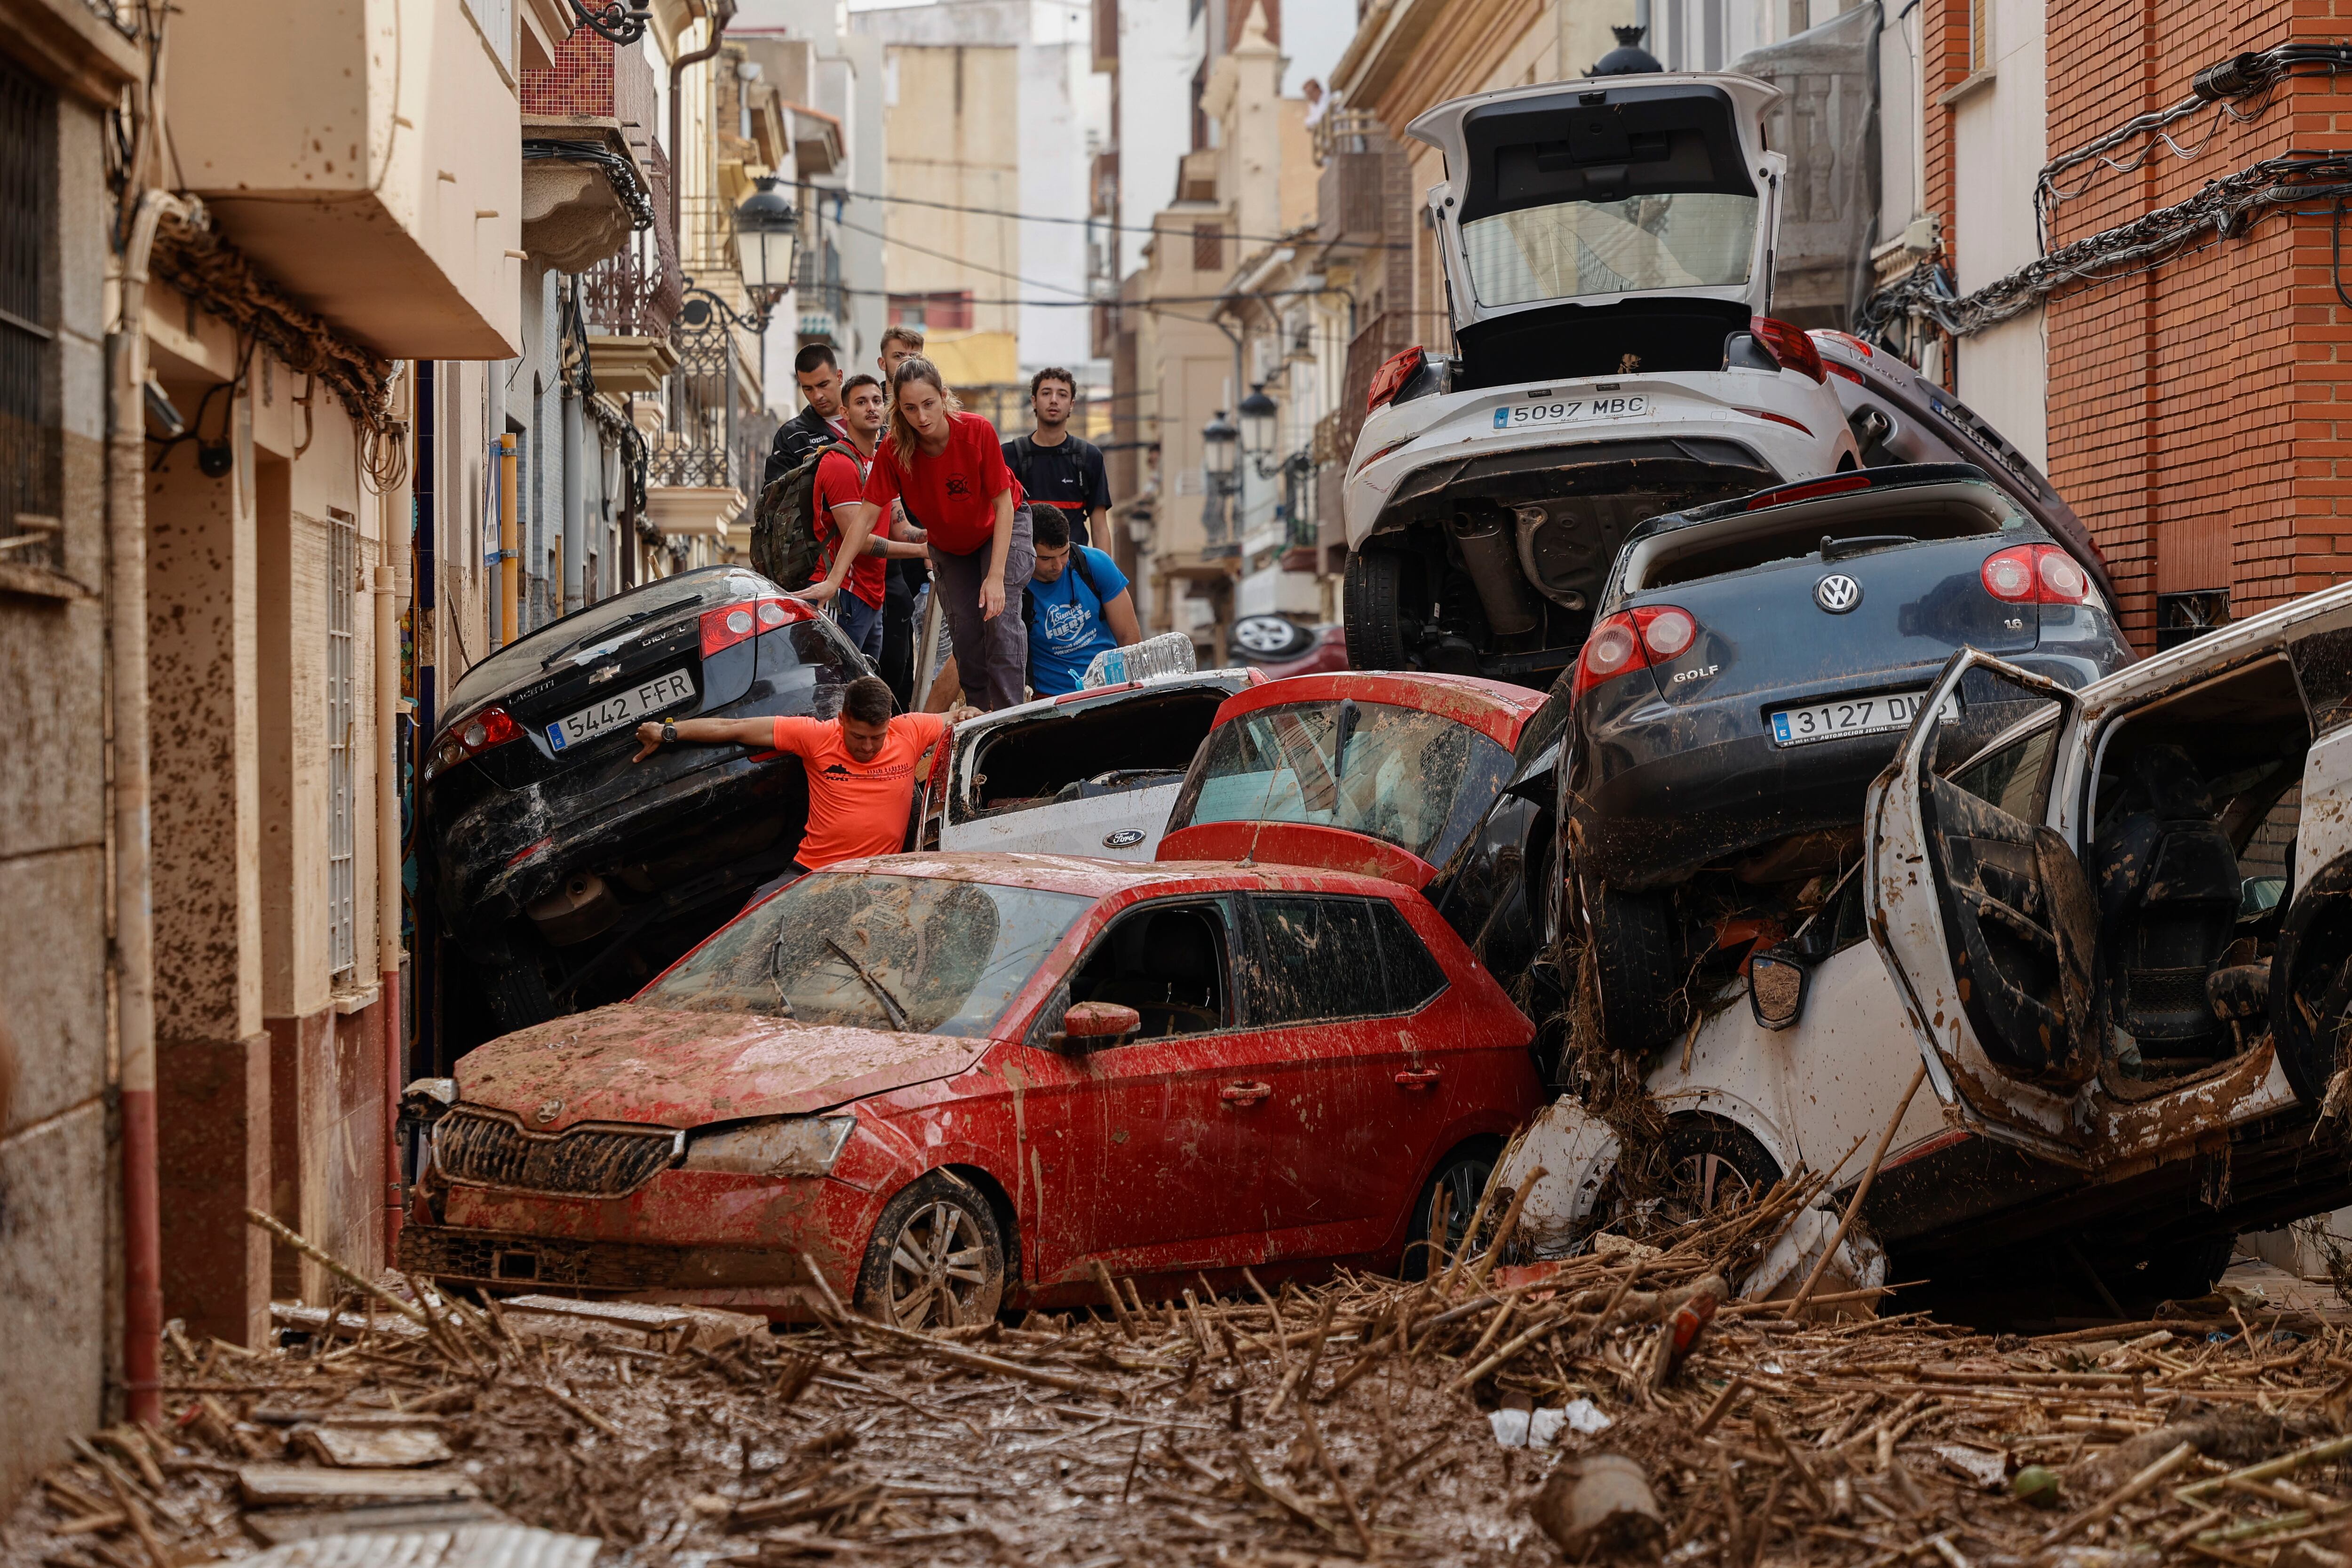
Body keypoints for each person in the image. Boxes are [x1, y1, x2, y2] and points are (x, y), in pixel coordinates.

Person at [631, 674, 978, 902]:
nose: (869, 747)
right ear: (842, 719)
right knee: (752, 919)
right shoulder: (817, 735)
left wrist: (968, 714)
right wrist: (668, 732)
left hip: (875, 882)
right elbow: (733, 728)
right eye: (859, 737)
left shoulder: (909, 730)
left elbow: (961, 719)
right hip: (812, 874)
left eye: (877, 737)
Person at [852, 357, 1035, 711]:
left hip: (1001, 527)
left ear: (944, 396)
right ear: (899, 409)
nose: (921, 416)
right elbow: (865, 517)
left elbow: (1004, 505)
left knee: (998, 617)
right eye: (910, 408)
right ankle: (980, 716)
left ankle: (1011, 714)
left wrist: (995, 576)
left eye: (928, 404)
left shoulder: (976, 430)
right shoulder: (894, 450)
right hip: (951, 545)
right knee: (966, 634)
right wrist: (831, 581)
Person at [791, 374, 923, 662]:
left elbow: (901, 529)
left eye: (877, 401)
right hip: (841, 594)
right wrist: (922, 551)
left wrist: (938, 538)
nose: (872, 408)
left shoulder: (882, 461)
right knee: (836, 690)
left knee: (863, 692)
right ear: (845, 412)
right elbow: (859, 540)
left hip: (872, 595)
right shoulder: (839, 463)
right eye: (861, 402)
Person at [1023, 507, 1143, 697]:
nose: (1058, 566)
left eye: (1064, 554)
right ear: (1026, 551)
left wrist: (1133, 692)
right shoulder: (1016, 588)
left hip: (1110, 690)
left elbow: (1129, 638)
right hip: (1052, 700)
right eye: (1046, 558)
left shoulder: (1096, 564)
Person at [1003, 367, 1112, 549]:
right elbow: (996, 517)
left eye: (1062, 395)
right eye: (1046, 393)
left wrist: (1104, 575)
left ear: (1072, 404)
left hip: (1073, 569)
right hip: (1022, 571)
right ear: (1034, 401)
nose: (1054, 400)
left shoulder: (1089, 457)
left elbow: (1100, 527)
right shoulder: (1009, 455)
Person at [762, 342, 850, 490]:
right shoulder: (791, 436)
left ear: (839, 377)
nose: (817, 396)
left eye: (823, 385)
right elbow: (773, 497)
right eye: (808, 388)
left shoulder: (869, 421)